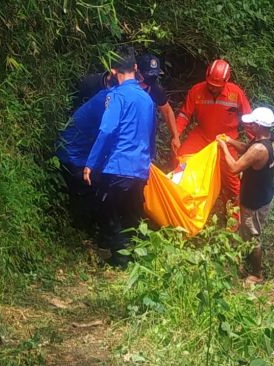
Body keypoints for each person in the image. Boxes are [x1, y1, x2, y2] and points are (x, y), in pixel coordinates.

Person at [83, 47, 156, 268]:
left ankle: (121, 260)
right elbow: (151, 133)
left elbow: (106, 130)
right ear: (136, 68)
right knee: (132, 214)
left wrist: (90, 163)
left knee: (110, 212)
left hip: (118, 166)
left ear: (113, 71)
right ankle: (138, 259)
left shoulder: (116, 97)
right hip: (140, 168)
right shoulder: (147, 99)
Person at [176, 59, 252, 218]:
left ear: (226, 81)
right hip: (202, 136)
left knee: (232, 181)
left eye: (217, 87)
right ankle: (183, 204)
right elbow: (184, 115)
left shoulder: (235, 93)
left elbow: (247, 119)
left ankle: (234, 218)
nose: (212, 88)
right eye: (210, 84)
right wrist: (176, 135)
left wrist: (255, 143)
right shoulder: (197, 91)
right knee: (182, 161)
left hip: (227, 140)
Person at [217, 107, 274, 283]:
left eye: (252, 123)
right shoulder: (268, 140)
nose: (249, 125)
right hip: (262, 194)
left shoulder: (259, 148)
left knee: (253, 236)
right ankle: (241, 261)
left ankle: (257, 274)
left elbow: (235, 168)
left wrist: (223, 148)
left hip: (255, 201)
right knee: (245, 232)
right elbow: (246, 149)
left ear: (259, 126)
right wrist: (229, 141)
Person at [56, 83, 114, 234]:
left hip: (78, 152)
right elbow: (108, 137)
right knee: (108, 182)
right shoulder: (107, 102)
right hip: (73, 156)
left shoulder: (107, 96)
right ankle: (95, 230)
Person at [136, 54, 181, 155]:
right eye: (149, 75)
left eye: (154, 76)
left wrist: (175, 137)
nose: (151, 79)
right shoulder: (126, 86)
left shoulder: (155, 89)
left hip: (145, 140)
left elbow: (167, 111)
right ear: (138, 70)